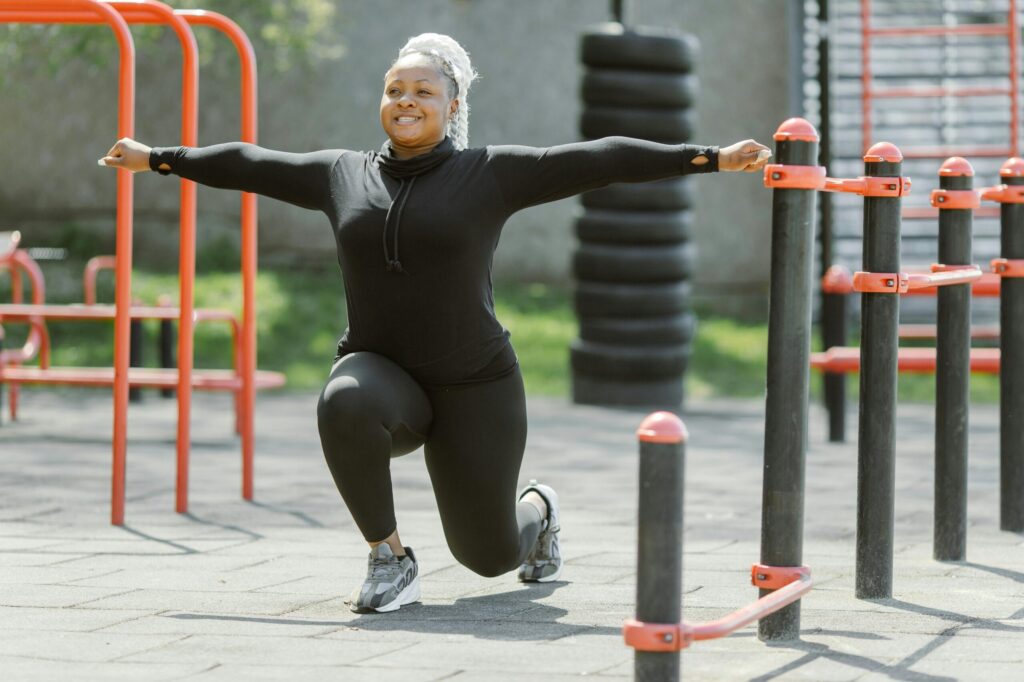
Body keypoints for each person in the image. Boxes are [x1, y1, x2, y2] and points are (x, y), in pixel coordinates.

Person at [99, 32, 771, 614]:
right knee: (342, 400)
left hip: (475, 383)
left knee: (488, 557)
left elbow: (600, 158)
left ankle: (537, 514)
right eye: (395, 90)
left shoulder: (490, 174)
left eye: (423, 91)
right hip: (383, 374)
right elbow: (251, 163)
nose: (406, 102)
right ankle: (389, 560)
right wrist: (158, 156)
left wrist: (708, 156)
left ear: (452, 106)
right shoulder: (343, 175)